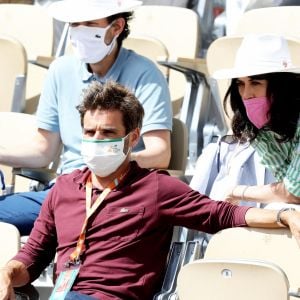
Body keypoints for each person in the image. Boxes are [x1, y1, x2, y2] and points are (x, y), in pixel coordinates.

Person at [1, 80, 300, 300]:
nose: (96, 139)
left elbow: (221, 214)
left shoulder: (156, 188)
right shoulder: (64, 187)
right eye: (90, 132)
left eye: (108, 133)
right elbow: (33, 255)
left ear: (132, 138)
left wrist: (283, 215)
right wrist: (8, 273)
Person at [0, 0, 172, 235]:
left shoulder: (146, 74)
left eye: (90, 23)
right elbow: (44, 150)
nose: (80, 30)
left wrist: (110, 163)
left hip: (119, 193)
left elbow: (160, 153)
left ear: (117, 27)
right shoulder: (60, 70)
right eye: (75, 24)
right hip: (64, 190)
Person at [213, 34, 300, 206]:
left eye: (255, 83)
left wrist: (237, 192)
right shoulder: (258, 126)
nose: (246, 94)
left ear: (280, 86)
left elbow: (294, 191)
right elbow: (287, 189)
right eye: (240, 84)